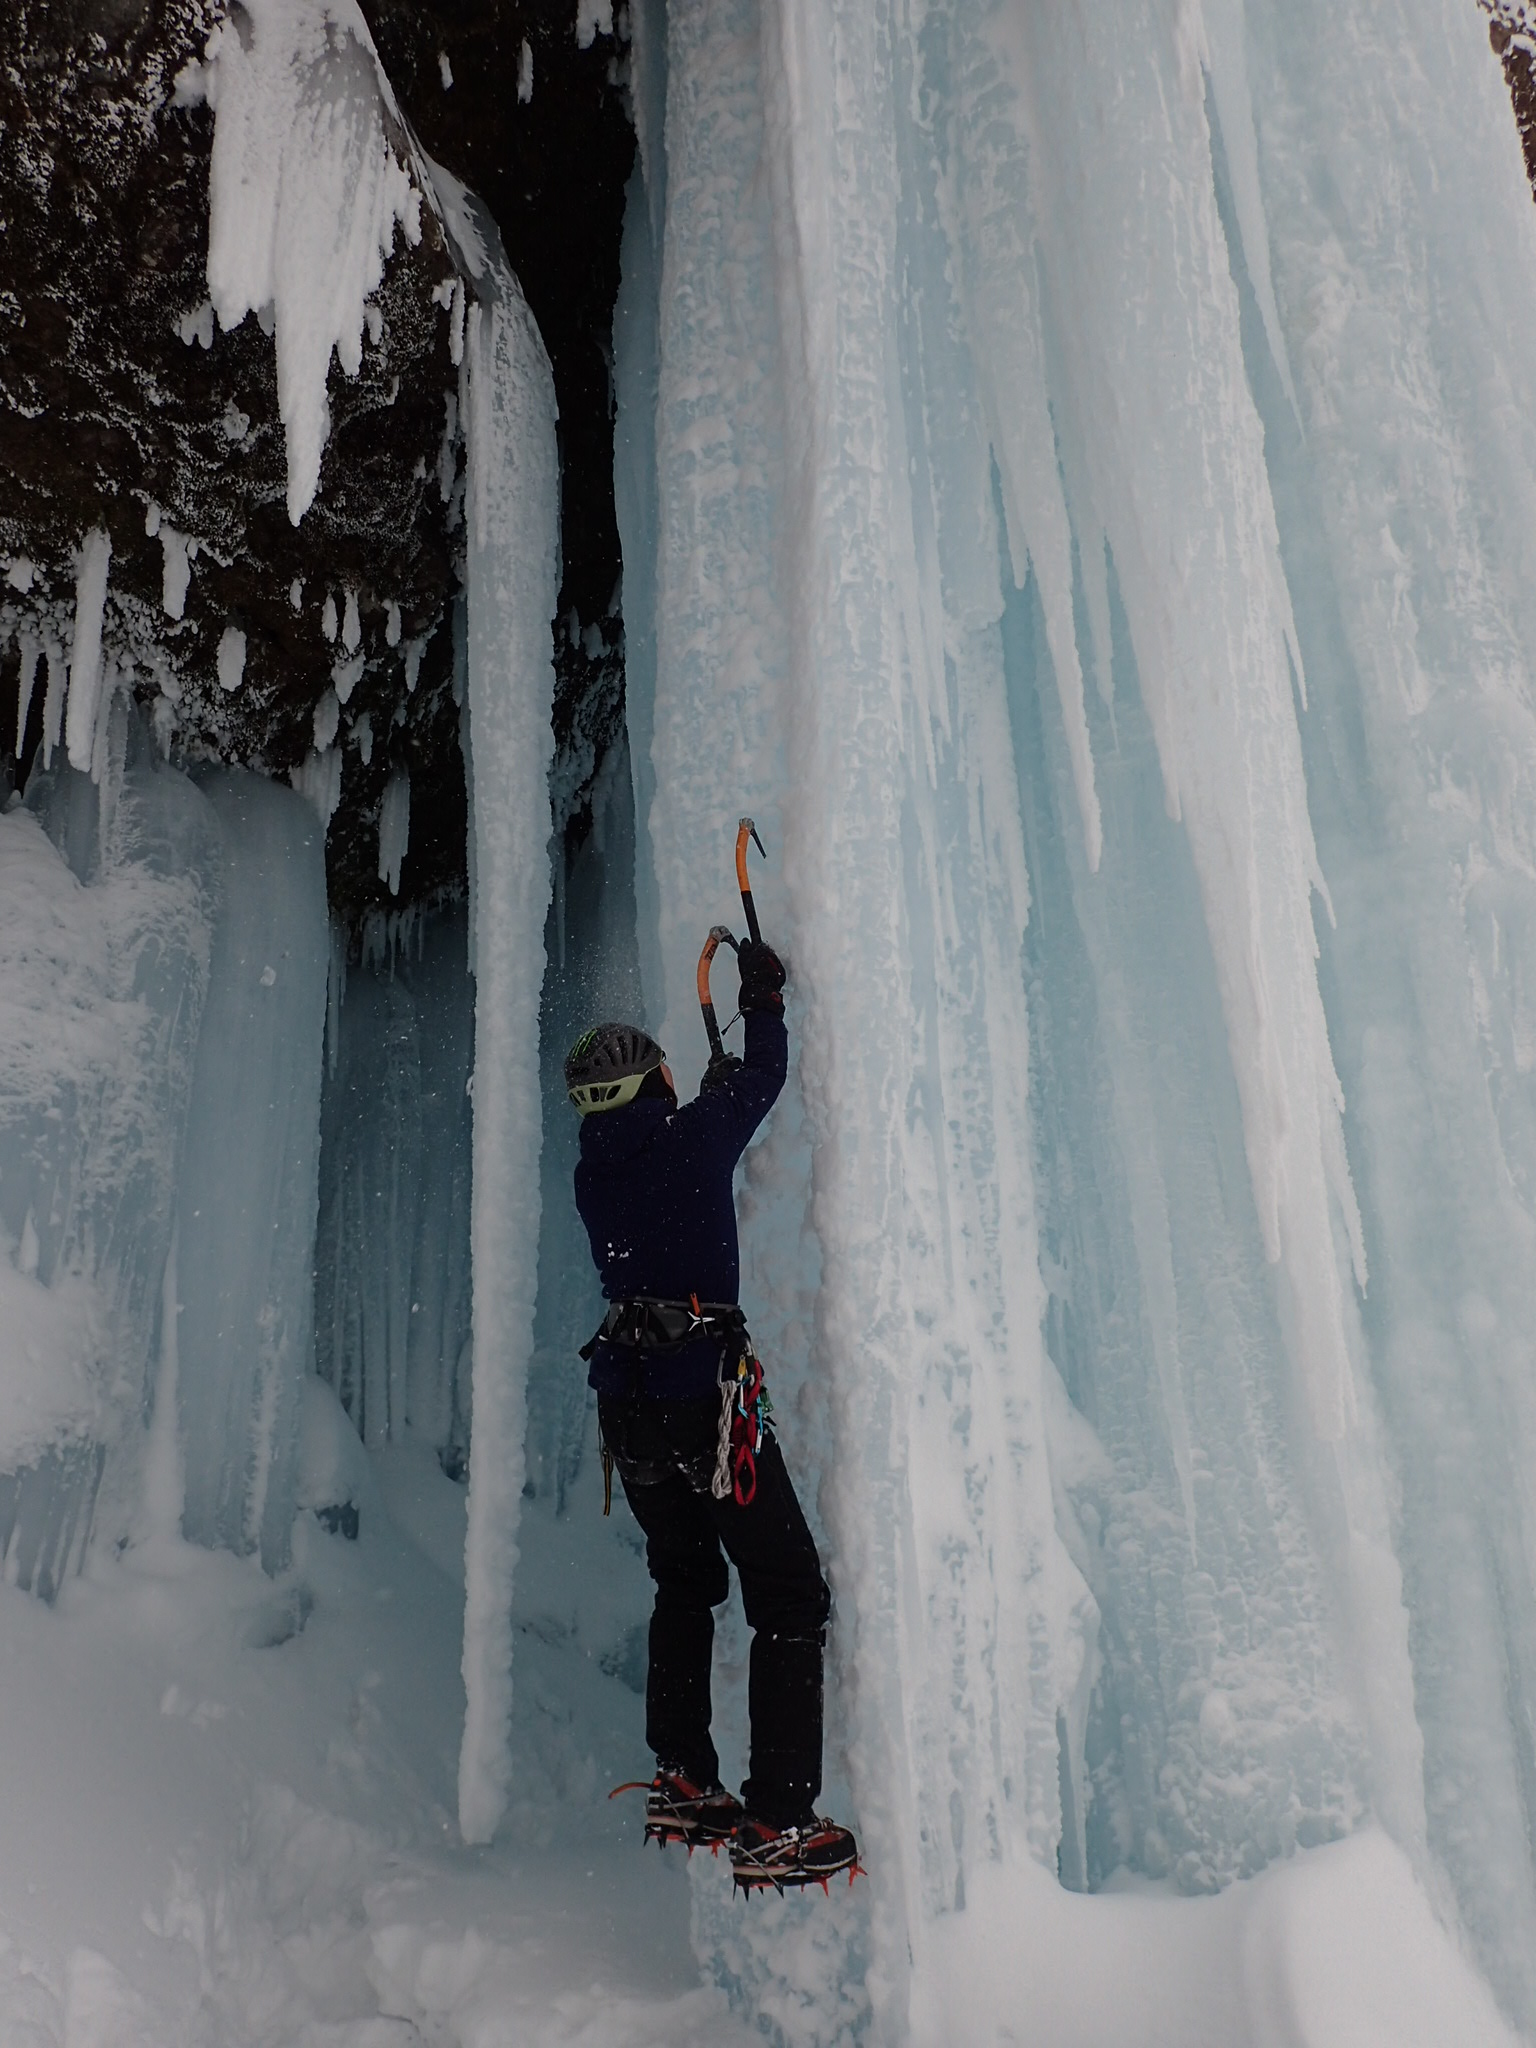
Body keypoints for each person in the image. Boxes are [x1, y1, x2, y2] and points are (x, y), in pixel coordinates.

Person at [566, 937, 859, 1893]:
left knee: (685, 1583)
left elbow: (677, 1147)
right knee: (787, 1591)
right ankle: (777, 1815)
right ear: (653, 1083)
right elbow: (760, 1079)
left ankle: (686, 1777)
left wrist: (705, 1094)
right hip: (705, 1398)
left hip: (632, 1409)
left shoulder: (592, 1176)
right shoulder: (690, 1139)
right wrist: (762, 994)